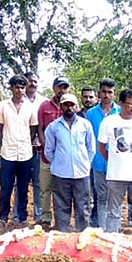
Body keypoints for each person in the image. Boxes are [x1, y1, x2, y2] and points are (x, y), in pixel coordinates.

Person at [98, 89, 132, 235]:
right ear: (121, 103)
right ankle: (111, 242)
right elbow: (101, 147)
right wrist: (114, 161)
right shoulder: (108, 122)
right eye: (130, 104)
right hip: (116, 175)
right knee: (113, 212)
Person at [44, 93, 95, 232]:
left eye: (72, 105)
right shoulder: (53, 127)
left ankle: (82, 237)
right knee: (61, 207)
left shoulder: (86, 125)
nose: (69, 108)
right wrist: (60, 163)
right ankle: (62, 238)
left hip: (81, 174)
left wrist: (84, 163)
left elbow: (91, 149)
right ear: (61, 106)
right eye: (66, 104)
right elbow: (48, 151)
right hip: (60, 174)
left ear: (76, 106)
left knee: (83, 208)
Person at [0, 75, 39, 227]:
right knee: (6, 187)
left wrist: (26, 142)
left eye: (22, 87)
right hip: (8, 153)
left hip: (26, 153)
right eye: (16, 87)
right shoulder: (3, 106)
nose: (19, 90)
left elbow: (33, 129)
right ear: (11, 88)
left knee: (23, 187)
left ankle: (22, 217)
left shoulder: (31, 107)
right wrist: (4, 144)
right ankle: (3, 218)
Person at [35, 76, 68, 227]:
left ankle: (62, 219)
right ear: (54, 88)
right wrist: (46, 147)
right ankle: (46, 218)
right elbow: (40, 128)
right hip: (46, 157)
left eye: (65, 87)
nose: (62, 90)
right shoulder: (44, 106)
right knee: (45, 188)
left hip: (64, 159)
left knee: (61, 190)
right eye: (60, 87)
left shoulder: (71, 106)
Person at [87, 78, 119, 228]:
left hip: (117, 163)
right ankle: (102, 229)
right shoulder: (91, 114)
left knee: (115, 198)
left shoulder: (120, 112)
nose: (106, 95)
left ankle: (114, 229)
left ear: (114, 94)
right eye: (104, 92)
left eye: (110, 92)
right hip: (98, 162)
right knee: (100, 197)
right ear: (99, 93)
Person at [23, 71, 49, 224]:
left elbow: (45, 126)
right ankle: (19, 217)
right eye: (29, 81)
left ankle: (39, 216)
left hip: (41, 148)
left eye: (35, 81)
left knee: (40, 183)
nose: (32, 84)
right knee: (21, 183)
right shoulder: (17, 101)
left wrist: (40, 141)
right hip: (22, 149)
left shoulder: (44, 102)